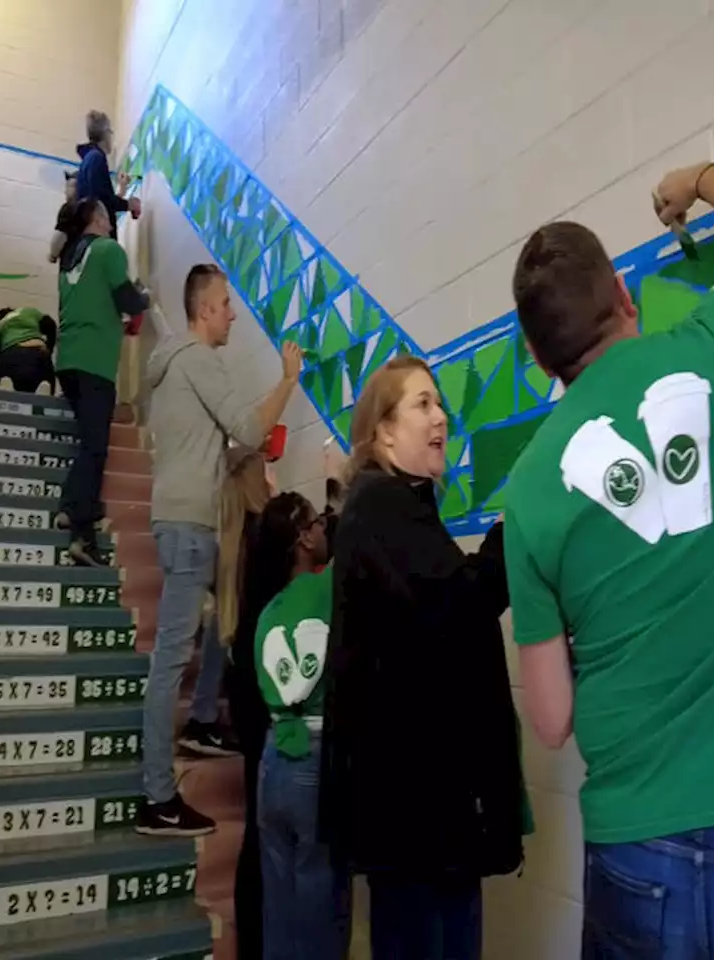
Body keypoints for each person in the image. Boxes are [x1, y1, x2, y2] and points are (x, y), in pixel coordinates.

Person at [505, 162, 714, 958]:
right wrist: (693, 179)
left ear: (538, 353)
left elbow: (550, 722)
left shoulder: (528, 491)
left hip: (634, 843)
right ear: (623, 291)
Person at [320, 355, 529, 960]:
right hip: (416, 820)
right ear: (384, 431)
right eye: (422, 403)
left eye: (439, 403)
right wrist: (512, 533)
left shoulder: (396, 509)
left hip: (420, 815)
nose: (441, 416)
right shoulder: (382, 506)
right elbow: (458, 604)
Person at [135, 263, 303, 837]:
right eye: (227, 303)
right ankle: (156, 795)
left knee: (224, 615)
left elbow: (215, 447)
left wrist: (244, 459)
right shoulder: (198, 359)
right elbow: (247, 429)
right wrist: (287, 381)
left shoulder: (175, 367)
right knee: (169, 661)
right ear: (205, 309)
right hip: (187, 526)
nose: (233, 312)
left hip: (183, 520)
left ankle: (204, 717)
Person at [252, 492, 348, 960]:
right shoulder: (327, 588)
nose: (326, 527)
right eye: (318, 522)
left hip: (272, 762)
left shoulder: (267, 611)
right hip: (314, 757)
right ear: (304, 538)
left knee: (280, 909)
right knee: (321, 912)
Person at [55, 199, 151, 567]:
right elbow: (127, 298)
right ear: (97, 218)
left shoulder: (69, 261)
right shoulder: (109, 250)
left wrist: (120, 324)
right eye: (107, 216)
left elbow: (92, 305)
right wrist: (144, 297)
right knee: (96, 448)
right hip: (95, 363)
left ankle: (70, 505)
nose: (112, 222)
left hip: (68, 360)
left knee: (89, 444)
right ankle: (82, 533)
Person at [218, 446, 273, 960]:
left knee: (258, 820)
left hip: (241, 677)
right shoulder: (262, 535)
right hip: (261, 686)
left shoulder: (232, 536)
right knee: (264, 827)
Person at [76, 110, 140, 241]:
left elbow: (101, 200)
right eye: (110, 132)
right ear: (105, 133)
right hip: (98, 238)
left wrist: (121, 190)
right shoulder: (96, 158)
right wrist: (129, 205)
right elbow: (102, 201)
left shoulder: (90, 159)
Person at [0, 307, 57, 394]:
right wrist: (49, 349)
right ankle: (42, 397)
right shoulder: (28, 312)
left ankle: (6, 392)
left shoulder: (1, 325)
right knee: (46, 391)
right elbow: (51, 325)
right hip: (40, 357)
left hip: (12, 358)